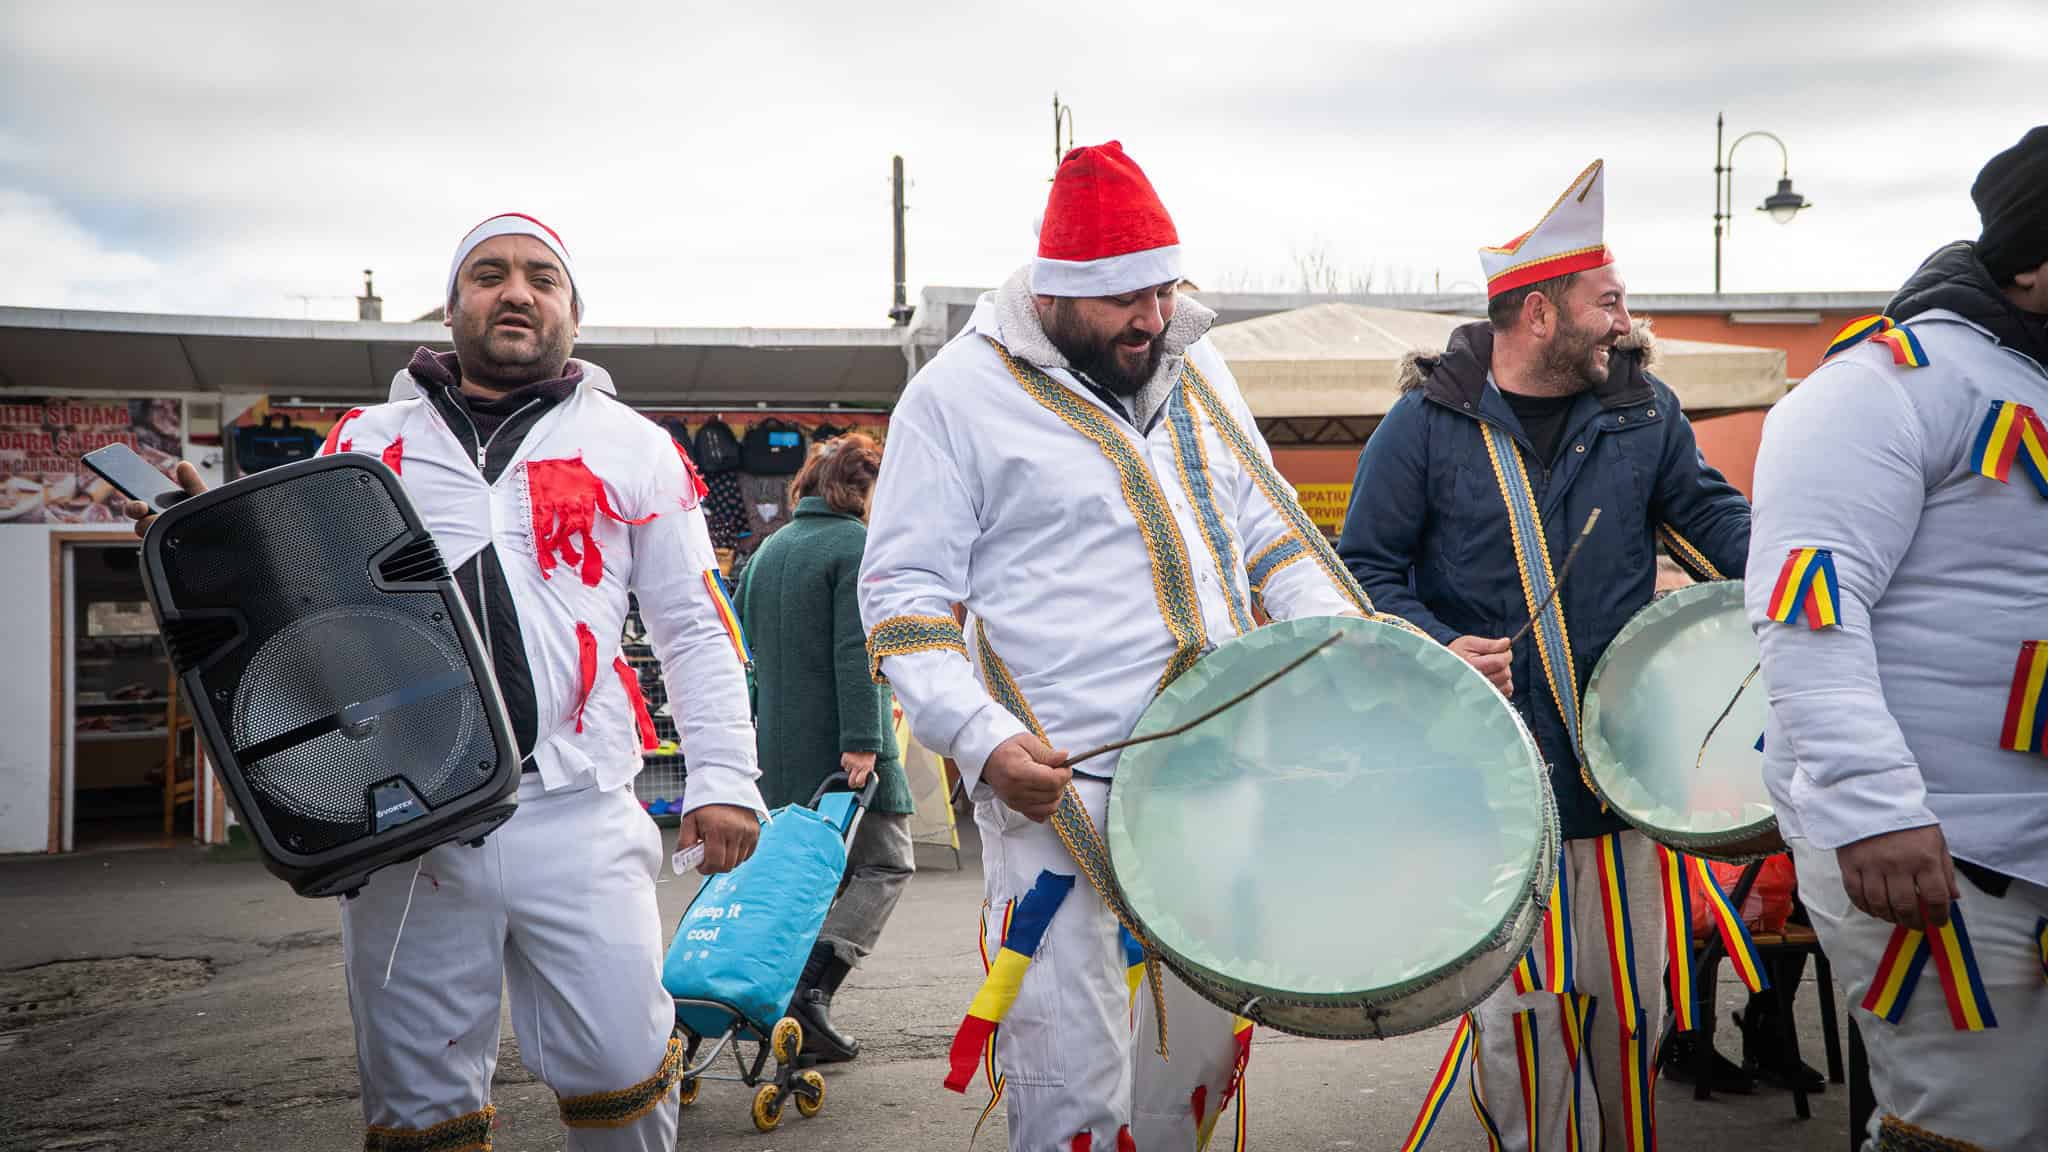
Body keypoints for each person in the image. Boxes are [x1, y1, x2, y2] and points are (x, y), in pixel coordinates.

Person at [127, 213, 765, 1152]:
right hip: (405, 818)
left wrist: (725, 779)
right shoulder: (366, 437)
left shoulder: (635, 444)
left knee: (626, 1069)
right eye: (489, 274)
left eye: (542, 278)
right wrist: (216, 535)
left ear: (573, 313)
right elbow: (301, 617)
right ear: (453, 303)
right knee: (421, 1100)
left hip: (578, 808)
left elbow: (696, 630)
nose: (516, 292)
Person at [860, 141, 1374, 1151]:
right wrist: (979, 739)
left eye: (1162, 291)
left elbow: (1272, 532)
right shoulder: (954, 396)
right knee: (1069, 1090)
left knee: (1188, 1070)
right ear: (1054, 294)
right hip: (1056, 788)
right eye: (1124, 301)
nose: (1151, 319)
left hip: (1219, 771)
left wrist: (1355, 649)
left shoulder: (1193, 356)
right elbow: (905, 600)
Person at [1337, 160, 1750, 1149]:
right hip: (1491, 793)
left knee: (1630, 1023)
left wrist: (1812, 568)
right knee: (1520, 1038)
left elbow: (1709, 518)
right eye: (1605, 300)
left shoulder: (1643, 410)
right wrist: (1438, 646)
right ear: (1535, 314)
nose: (1624, 319)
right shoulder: (1422, 426)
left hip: (1623, 788)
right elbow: (1362, 572)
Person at [1747, 125, 2048, 1151]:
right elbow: (1806, 610)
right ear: (2032, 262)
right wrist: (1872, 809)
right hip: (1940, 854)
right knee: (1967, 1130)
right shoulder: (1883, 385)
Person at [732, 432, 915, 1065]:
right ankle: (810, 993)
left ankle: (775, 999)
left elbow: (744, 652)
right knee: (887, 864)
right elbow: (856, 652)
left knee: (804, 879)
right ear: (860, 490)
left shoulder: (768, 550)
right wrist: (865, 742)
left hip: (779, 747)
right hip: (846, 746)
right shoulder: (855, 546)